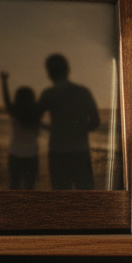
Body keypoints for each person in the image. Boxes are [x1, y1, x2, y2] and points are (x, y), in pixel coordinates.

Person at [38, 53, 101, 190]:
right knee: (85, 197)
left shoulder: (49, 94)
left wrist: (52, 128)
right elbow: (95, 122)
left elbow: (35, 119)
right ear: (68, 70)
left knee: (61, 197)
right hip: (80, 151)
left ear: (50, 73)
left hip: (58, 152)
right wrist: (79, 129)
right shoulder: (83, 92)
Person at [0, 72, 41, 190]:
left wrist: (4, 81)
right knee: (30, 187)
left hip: (15, 154)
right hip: (32, 155)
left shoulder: (14, 111)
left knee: (14, 185)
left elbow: (7, 99)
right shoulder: (36, 114)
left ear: (17, 98)